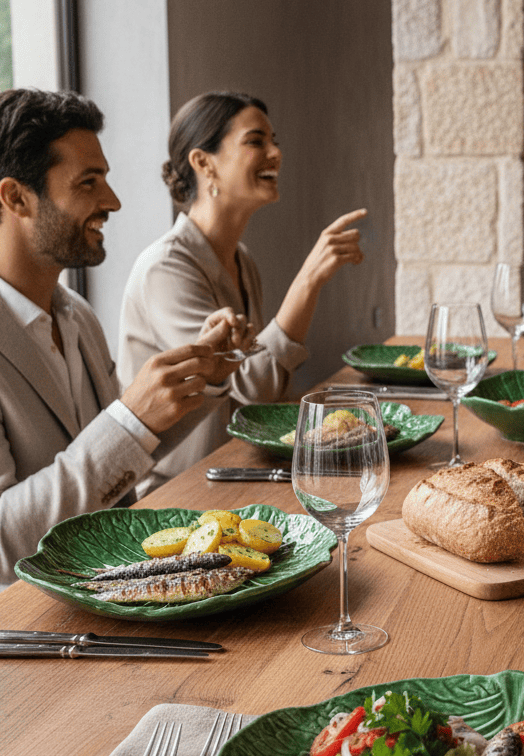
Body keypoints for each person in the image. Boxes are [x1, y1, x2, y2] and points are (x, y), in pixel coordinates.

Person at [0, 87, 243, 589]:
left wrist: (203, 379)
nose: (112, 201)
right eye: (89, 183)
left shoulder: (77, 315)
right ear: (15, 197)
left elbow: (122, 462)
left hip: (113, 589)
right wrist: (129, 422)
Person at [118, 90, 367, 492]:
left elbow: (264, 396)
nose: (274, 153)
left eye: (275, 141)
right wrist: (309, 280)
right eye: (256, 141)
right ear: (203, 163)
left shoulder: (241, 260)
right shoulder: (164, 269)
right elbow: (252, 389)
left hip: (239, 468)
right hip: (182, 491)